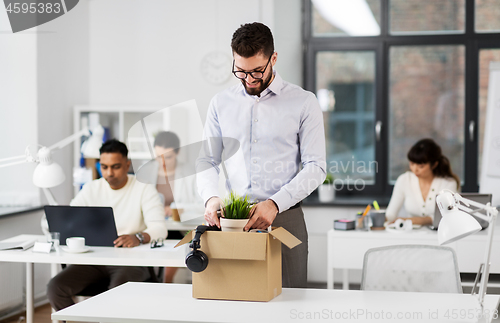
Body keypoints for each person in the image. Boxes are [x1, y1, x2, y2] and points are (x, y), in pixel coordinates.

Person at [196, 22, 326, 288]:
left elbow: (316, 167)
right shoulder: (220, 103)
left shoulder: (304, 102)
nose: (249, 80)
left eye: (257, 70)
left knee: (291, 303)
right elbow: (207, 160)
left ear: (273, 59)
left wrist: (275, 203)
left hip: (285, 217)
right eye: (240, 71)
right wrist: (210, 198)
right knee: (235, 300)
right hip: (234, 220)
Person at [46, 139, 167, 311]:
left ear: (127, 164)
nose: (109, 173)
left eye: (115, 166)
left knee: (115, 294)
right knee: (55, 288)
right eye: (104, 167)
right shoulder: (91, 188)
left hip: (130, 261)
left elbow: (160, 229)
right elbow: (69, 217)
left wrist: (139, 237)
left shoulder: (144, 189)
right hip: (93, 259)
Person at [153, 131, 203, 283]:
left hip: (178, 229)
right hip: (154, 226)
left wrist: (176, 208)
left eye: (167, 157)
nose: (162, 162)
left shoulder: (190, 173)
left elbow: (203, 206)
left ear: (177, 153)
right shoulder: (148, 172)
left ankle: (166, 282)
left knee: (173, 248)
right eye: (157, 157)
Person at [386, 138, 460, 226]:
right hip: (410, 235)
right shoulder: (404, 180)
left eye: (421, 166)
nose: (415, 169)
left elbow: (449, 215)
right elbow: (390, 214)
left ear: (434, 164)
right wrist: (376, 218)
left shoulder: (448, 183)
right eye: (412, 164)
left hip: (440, 234)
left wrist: (412, 220)